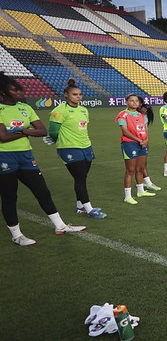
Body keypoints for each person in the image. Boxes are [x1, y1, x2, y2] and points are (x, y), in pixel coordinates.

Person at [0, 72, 85, 245]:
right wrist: (27, 132)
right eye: (14, 90)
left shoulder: (26, 108)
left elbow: (43, 131)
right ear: (3, 92)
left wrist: (22, 131)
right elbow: (3, 137)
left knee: (42, 191)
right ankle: (17, 235)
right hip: (4, 157)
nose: (19, 92)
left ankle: (60, 225)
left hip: (26, 156)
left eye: (19, 90)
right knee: (9, 196)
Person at [47, 79, 106, 219]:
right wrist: (59, 141)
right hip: (69, 148)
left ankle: (80, 206)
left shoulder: (83, 110)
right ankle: (89, 209)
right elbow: (53, 131)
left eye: (80, 94)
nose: (78, 96)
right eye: (75, 94)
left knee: (82, 177)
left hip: (86, 146)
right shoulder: (60, 110)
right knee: (79, 177)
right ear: (66, 95)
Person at [118, 95, 159, 205]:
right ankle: (128, 196)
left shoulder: (141, 115)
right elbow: (125, 131)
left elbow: (145, 130)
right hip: (129, 144)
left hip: (142, 144)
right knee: (130, 170)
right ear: (126, 102)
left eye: (136, 101)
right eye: (131, 101)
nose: (134, 102)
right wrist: (139, 140)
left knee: (140, 168)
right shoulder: (123, 115)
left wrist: (146, 140)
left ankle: (140, 191)